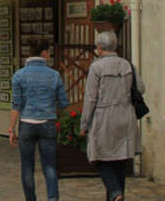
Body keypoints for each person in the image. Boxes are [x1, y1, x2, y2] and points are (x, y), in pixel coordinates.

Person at [79, 30, 143, 201]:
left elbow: (90, 98)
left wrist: (84, 124)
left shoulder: (97, 67)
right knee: (119, 161)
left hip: (104, 116)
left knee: (100, 158)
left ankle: (115, 192)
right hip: (125, 115)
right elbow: (141, 88)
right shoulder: (128, 65)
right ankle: (117, 196)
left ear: (99, 47)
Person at [9, 39, 69, 201]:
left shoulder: (19, 75)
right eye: (48, 52)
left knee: (27, 167)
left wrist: (11, 130)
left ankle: (31, 199)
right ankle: (52, 198)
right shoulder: (54, 75)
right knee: (49, 166)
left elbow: (16, 104)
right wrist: (51, 105)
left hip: (27, 123)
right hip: (47, 122)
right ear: (44, 53)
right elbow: (63, 102)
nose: (49, 55)